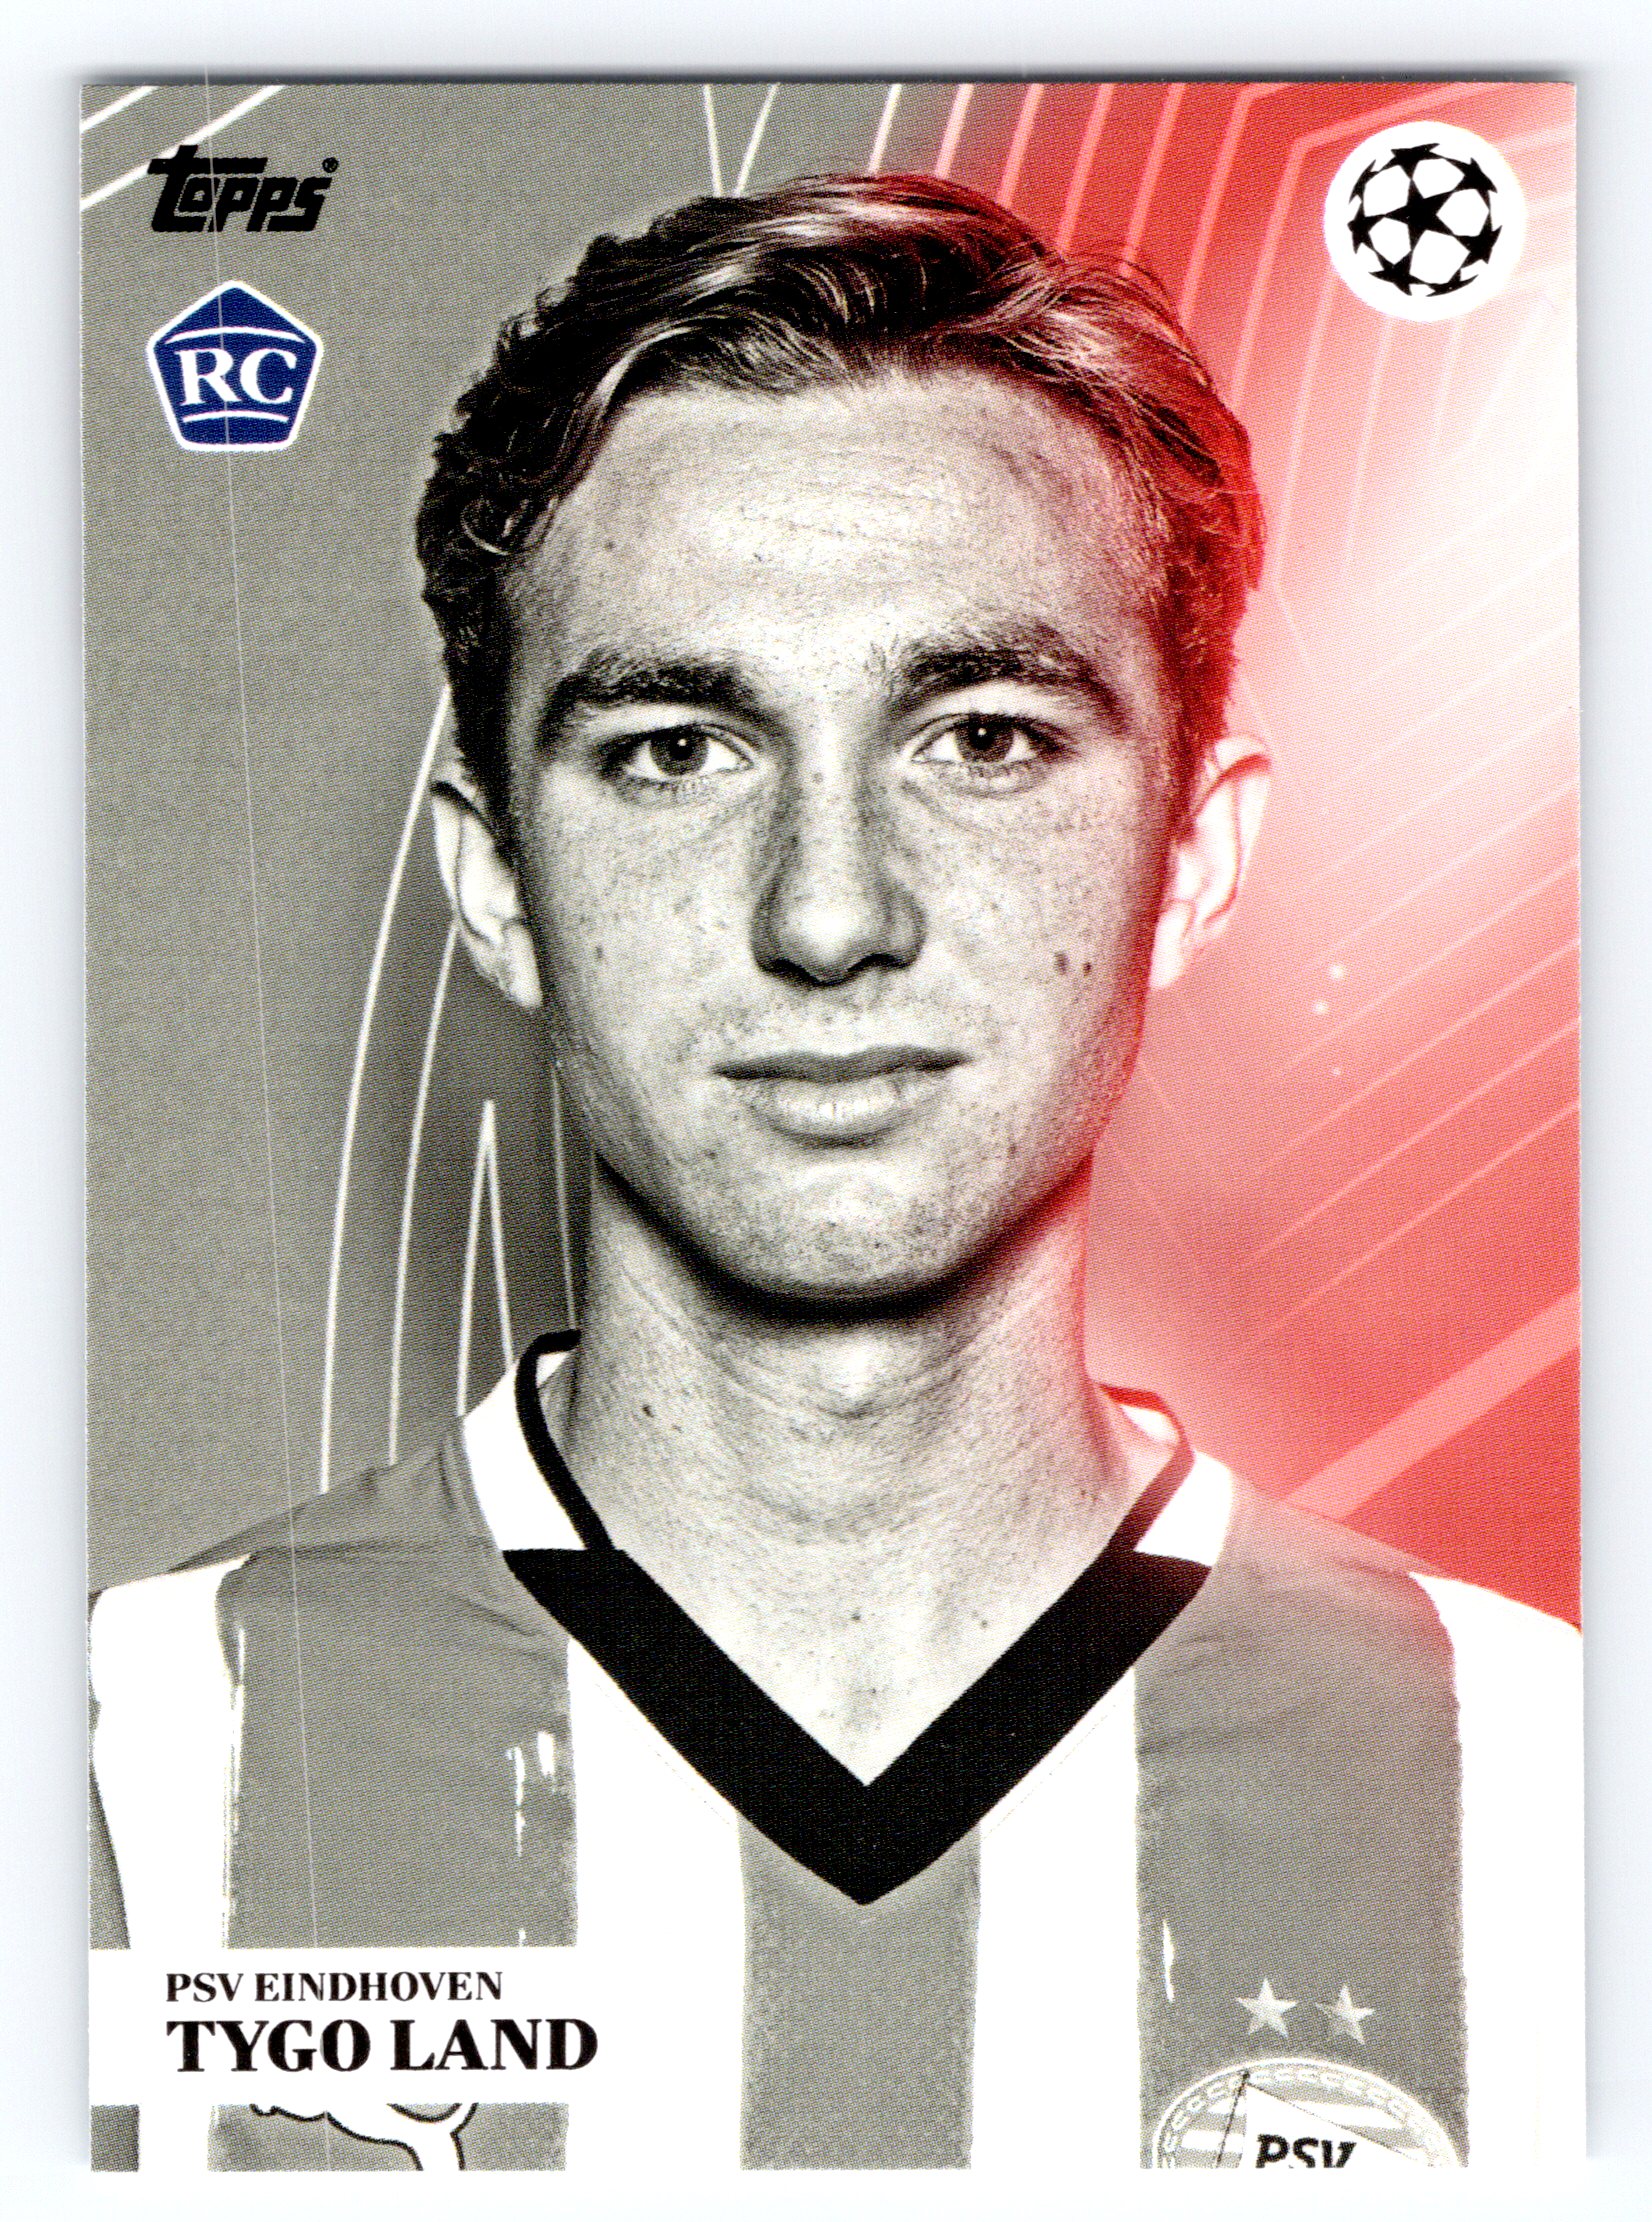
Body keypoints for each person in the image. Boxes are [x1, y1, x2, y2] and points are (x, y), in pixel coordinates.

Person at [90, 173, 1580, 2174]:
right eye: (675, 750)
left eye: (983, 737)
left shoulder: (1558, 1794)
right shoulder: (123, 1772)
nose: (827, 913)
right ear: (494, 878)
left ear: (1191, 861)